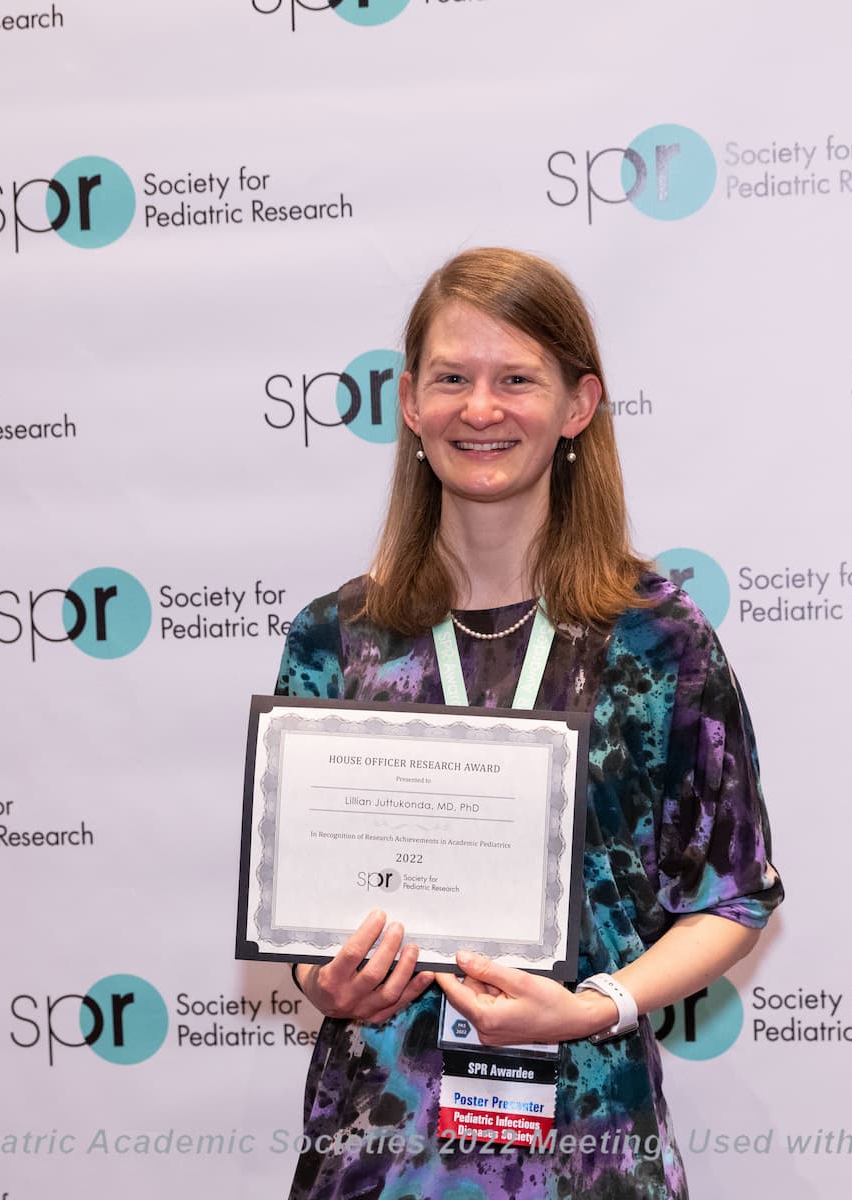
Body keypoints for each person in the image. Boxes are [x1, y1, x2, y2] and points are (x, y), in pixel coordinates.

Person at [275, 247, 782, 1199]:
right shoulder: (336, 639)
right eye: (453, 379)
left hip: (589, 1144)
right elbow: (305, 910)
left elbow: (733, 895)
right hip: (383, 1149)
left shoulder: (657, 638)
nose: (481, 408)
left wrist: (600, 1005)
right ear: (410, 404)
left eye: (517, 379)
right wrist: (323, 985)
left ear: (578, 406)